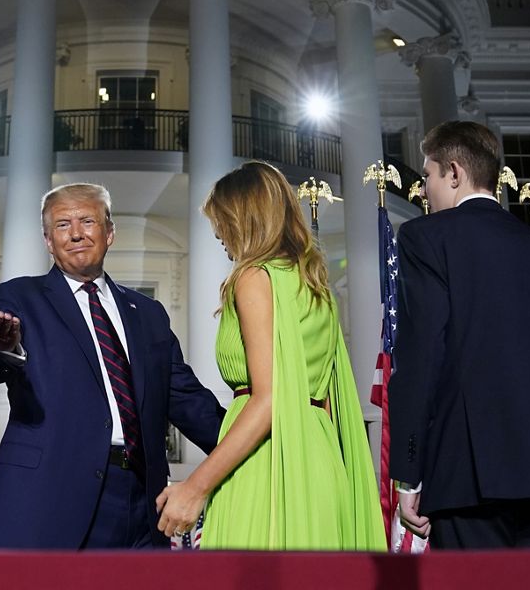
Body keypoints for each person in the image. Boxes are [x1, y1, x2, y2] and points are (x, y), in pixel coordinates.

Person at [0, 182, 225, 548]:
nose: (75, 234)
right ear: (47, 240)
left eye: (87, 221)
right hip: (50, 496)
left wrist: (250, 442)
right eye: (61, 225)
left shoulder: (148, 313)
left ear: (110, 232)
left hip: (141, 499)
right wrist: (3, 346)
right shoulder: (19, 295)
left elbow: (185, 399)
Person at [155, 162, 386, 551]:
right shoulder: (315, 285)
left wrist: (195, 486)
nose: (217, 235)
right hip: (319, 459)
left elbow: (268, 399)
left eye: (222, 222)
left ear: (242, 219)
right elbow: (327, 400)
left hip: (267, 462)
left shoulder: (252, 278)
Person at [389, 120, 530, 549]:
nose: (424, 189)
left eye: (427, 175)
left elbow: (423, 354)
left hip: (469, 479)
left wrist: (409, 469)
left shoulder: (424, 237)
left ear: (454, 173)